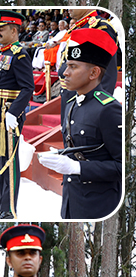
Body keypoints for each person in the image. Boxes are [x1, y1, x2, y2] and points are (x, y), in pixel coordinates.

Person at [37, 27, 121, 220]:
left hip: (100, 205)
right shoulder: (72, 103)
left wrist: (76, 168)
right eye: (67, 66)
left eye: (73, 67)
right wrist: (61, 155)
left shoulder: (108, 109)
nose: (65, 73)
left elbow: (121, 167)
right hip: (72, 199)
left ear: (93, 73)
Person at [0, 11, 35, 220]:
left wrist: (13, 112)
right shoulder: (0, 53)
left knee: (10, 162)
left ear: (14, 30)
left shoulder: (19, 54)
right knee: (1, 161)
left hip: (7, 115)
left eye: (2, 29)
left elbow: (28, 88)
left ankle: (8, 209)